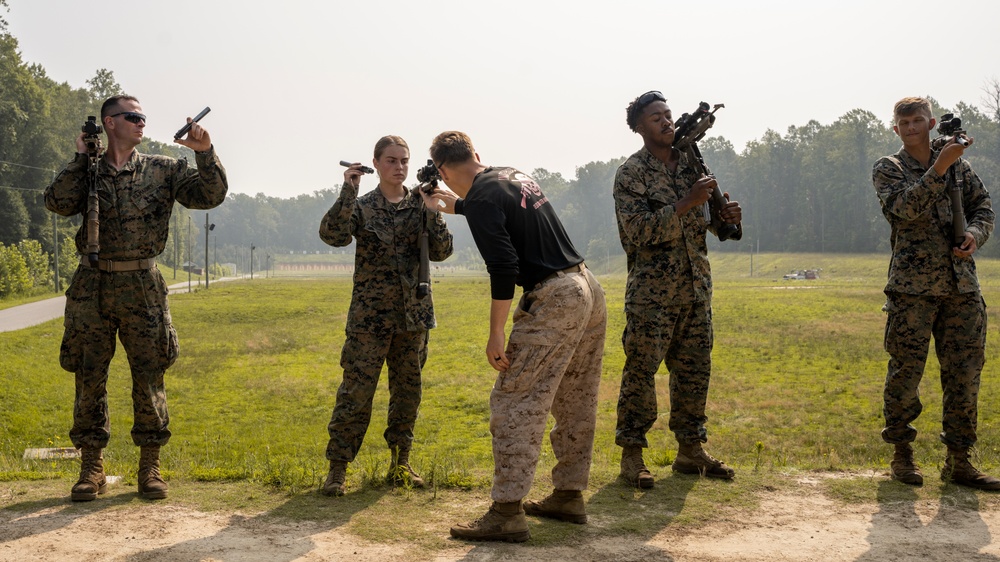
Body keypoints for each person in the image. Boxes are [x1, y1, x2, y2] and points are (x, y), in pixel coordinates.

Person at [424, 131, 606, 543]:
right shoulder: (509, 174)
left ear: (443, 169)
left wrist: (495, 332)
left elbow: (503, 266)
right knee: (575, 396)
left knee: (515, 399)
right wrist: (459, 207)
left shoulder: (483, 198)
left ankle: (506, 512)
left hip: (555, 297)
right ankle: (569, 493)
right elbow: (495, 208)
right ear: (475, 154)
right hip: (586, 286)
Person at [44, 95, 229, 501]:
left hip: (143, 286)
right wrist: (79, 160)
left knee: (149, 376)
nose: (141, 123)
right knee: (89, 377)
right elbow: (56, 203)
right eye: (132, 117)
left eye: (143, 117)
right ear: (110, 123)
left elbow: (210, 195)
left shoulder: (163, 169)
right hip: (92, 286)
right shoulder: (88, 171)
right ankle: (91, 467)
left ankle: (150, 466)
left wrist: (205, 153)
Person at [613, 90, 743, 488]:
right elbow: (635, 233)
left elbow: (718, 230)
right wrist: (686, 203)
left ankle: (691, 450)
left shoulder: (692, 164)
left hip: (695, 291)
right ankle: (632, 456)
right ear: (638, 127)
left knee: (693, 373)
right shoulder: (631, 174)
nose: (666, 122)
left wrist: (728, 217)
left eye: (668, 115)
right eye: (655, 118)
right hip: (652, 297)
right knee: (641, 374)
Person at [874, 96, 999, 490]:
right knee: (905, 374)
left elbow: (984, 209)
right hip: (912, 290)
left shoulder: (960, 167)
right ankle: (902, 455)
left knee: (964, 375)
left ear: (930, 124)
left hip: (961, 287)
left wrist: (975, 237)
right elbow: (903, 208)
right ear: (896, 129)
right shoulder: (888, 168)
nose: (911, 127)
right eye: (904, 122)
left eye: (918, 120)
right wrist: (939, 166)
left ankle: (959, 461)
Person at [319, 135, 453, 496]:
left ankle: (401, 463)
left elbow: (442, 252)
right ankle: (337, 470)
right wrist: (347, 192)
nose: (399, 167)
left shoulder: (420, 204)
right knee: (355, 394)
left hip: (413, 319)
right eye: (392, 160)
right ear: (375, 164)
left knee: (407, 394)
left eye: (404, 161)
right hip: (369, 320)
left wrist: (433, 211)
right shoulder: (363, 207)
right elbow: (332, 235)